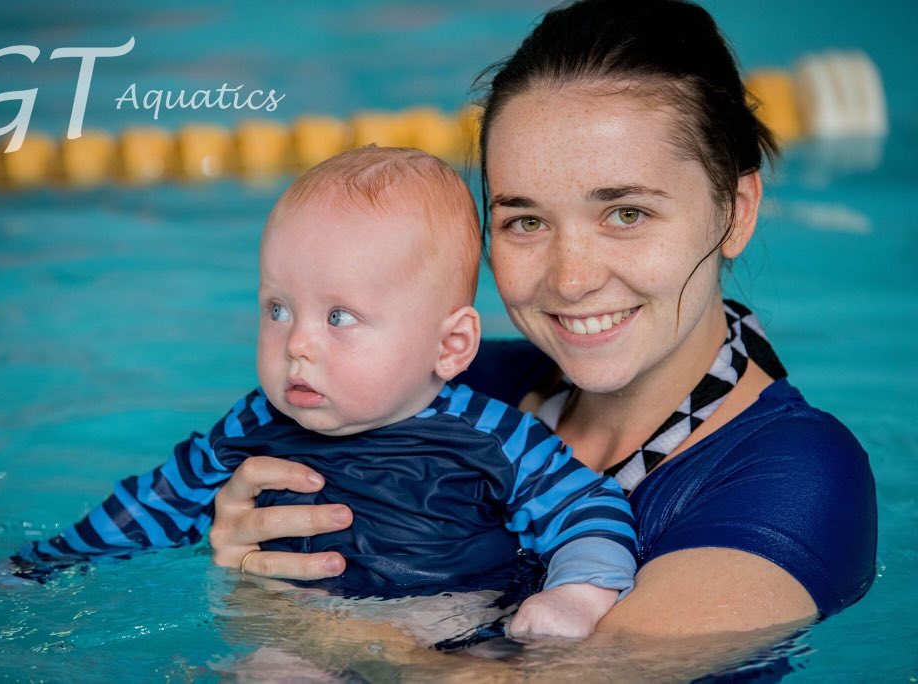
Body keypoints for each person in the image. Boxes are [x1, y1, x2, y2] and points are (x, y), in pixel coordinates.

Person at [206, 0, 877, 664]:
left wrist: (299, 622)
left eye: (626, 213)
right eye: (525, 222)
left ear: (735, 210)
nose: (572, 278)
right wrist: (237, 547)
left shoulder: (799, 478)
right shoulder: (446, 384)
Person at [14, 145, 638, 640]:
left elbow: (589, 511)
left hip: (461, 628)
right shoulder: (248, 429)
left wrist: (576, 594)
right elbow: (152, 504)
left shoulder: (493, 439)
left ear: (449, 347)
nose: (298, 345)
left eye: (339, 317)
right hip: (299, 638)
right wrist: (47, 561)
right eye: (278, 308)